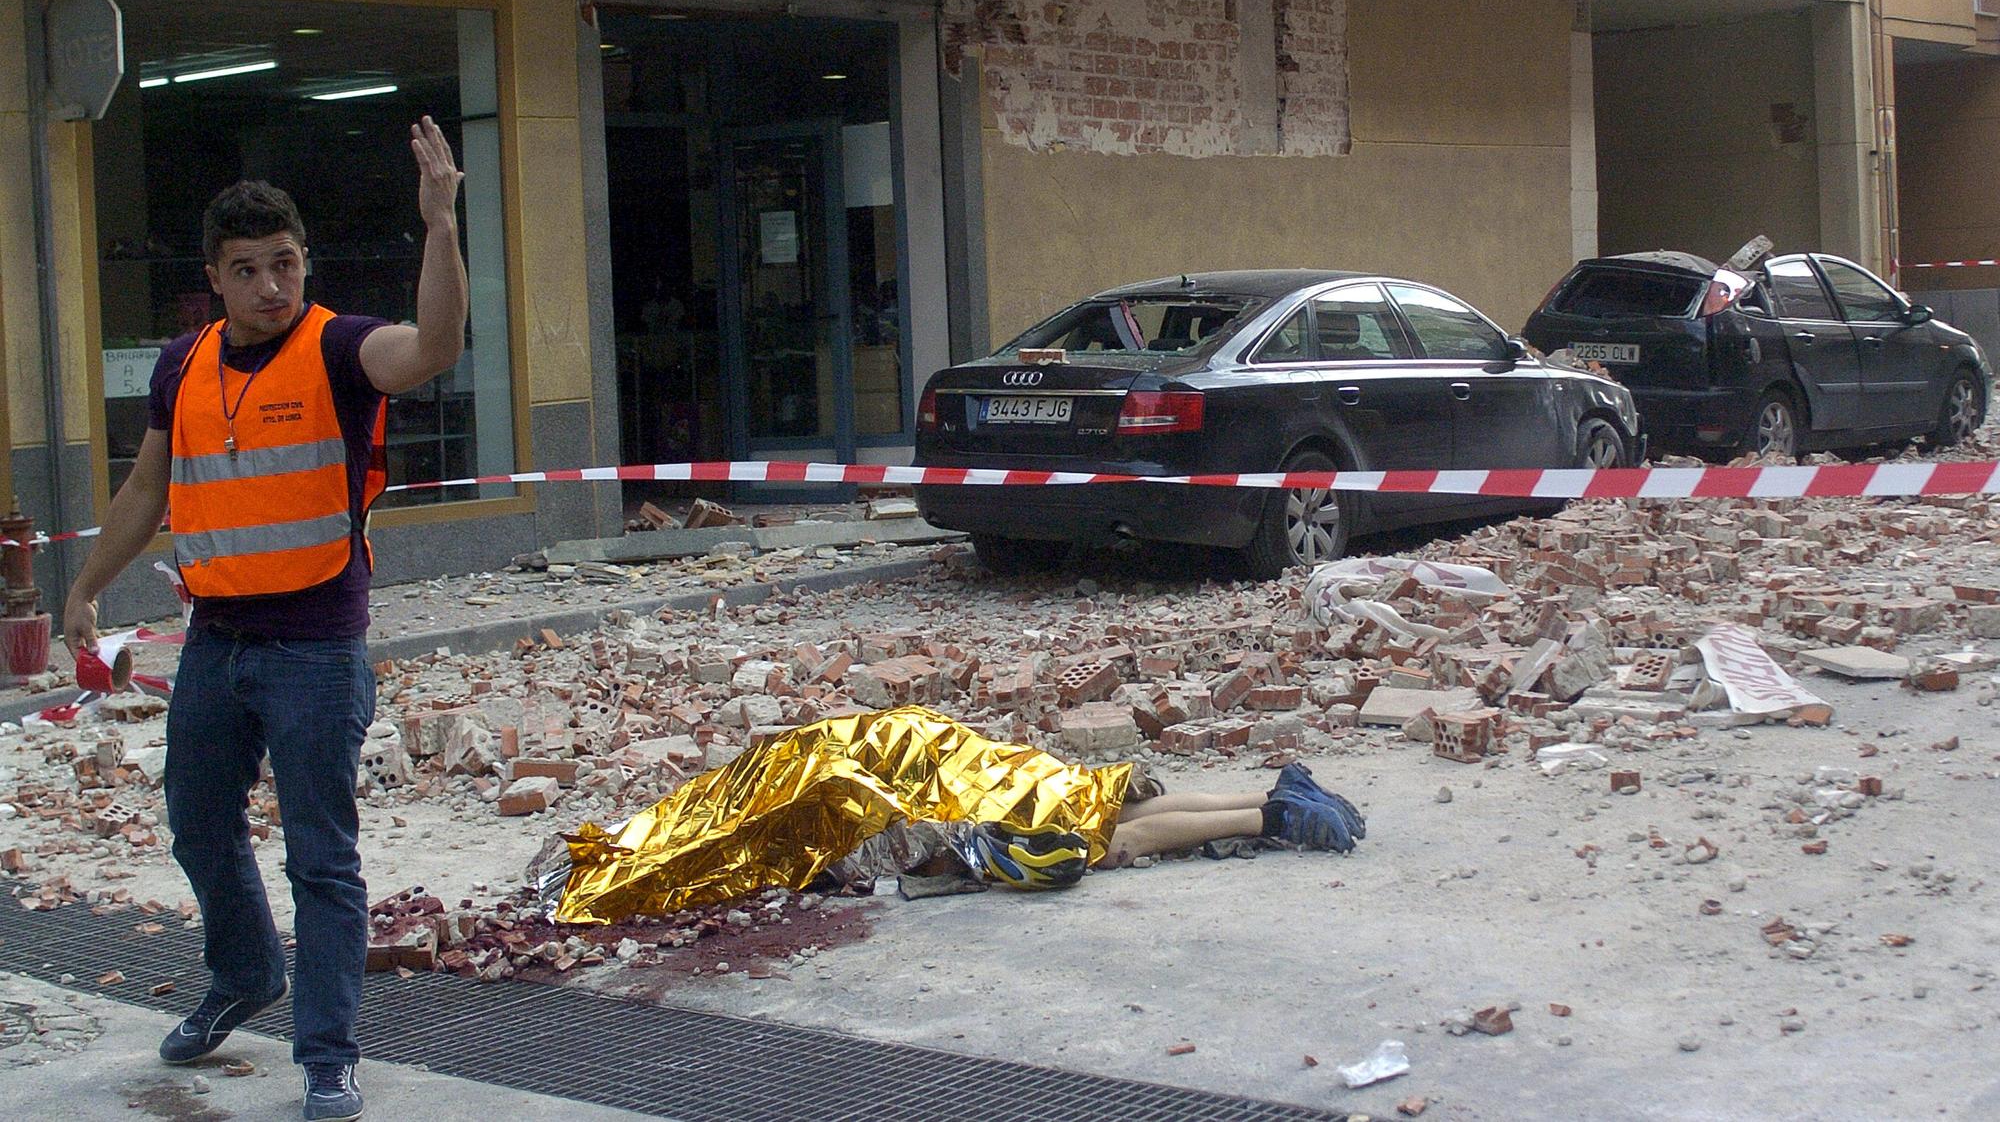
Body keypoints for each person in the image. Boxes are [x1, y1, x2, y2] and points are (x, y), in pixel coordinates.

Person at [62, 119, 469, 1122]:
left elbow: (432, 346)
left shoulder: (336, 345)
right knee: (199, 828)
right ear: (215, 277)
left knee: (320, 857)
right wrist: (84, 584)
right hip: (217, 641)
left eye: (285, 263)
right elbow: (146, 487)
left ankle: (327, 1053)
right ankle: (245, 975)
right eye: (248, 270)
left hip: (317, 646)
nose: (271, 286)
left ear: (304, 263)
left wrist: (441, 224)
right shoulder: (181, 364)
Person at [544, 705, 1366, 925]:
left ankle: (1271, 817)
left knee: (1101, 838)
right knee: (1090, 795)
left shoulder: (750, 814)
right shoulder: (744, 787)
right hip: (927, 751)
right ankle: (1271, 792)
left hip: (924, 785)